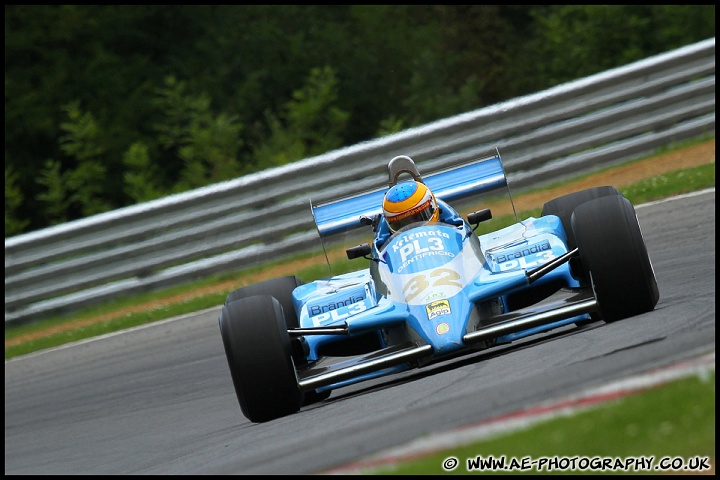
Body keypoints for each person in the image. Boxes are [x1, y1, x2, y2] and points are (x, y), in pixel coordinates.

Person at [375, 180, 465, 247]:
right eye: (402, 223)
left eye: (417, 218)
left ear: (432, 208)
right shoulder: (385, 243)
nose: (412, 227)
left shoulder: (453, 225)